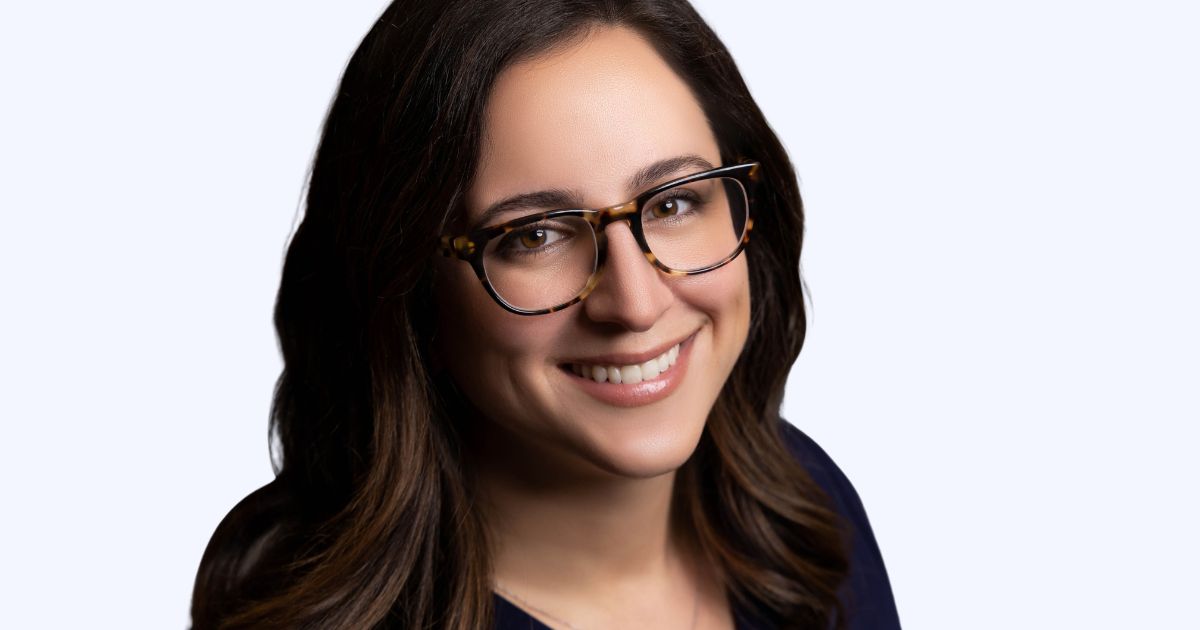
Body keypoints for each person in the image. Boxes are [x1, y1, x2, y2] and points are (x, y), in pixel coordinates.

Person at [190, 1, 900, 628]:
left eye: (675, 202)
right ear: (408, 289)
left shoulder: (807, 502)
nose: (637, 303)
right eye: (534, 236)